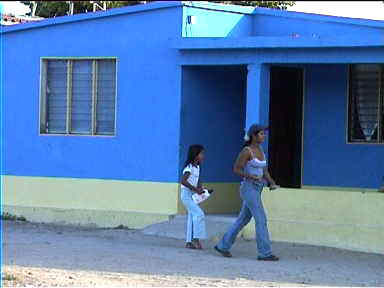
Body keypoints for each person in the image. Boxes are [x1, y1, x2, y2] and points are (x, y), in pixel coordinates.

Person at [214, 124, 279, 261]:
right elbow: (236, 169)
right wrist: (250, 176)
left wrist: (271, 182)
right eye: (261, 134)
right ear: (253, 136)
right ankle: (265, 253)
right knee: (261, 219)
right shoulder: (246, 151)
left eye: (264, 134)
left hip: (258, 187)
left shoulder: (261, 150)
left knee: (243, 219)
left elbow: (264, 171)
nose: (264, 136)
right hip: (249, 188)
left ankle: (223, 246)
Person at [180, 144, 207, 250]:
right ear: (195, 155)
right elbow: (183, 181)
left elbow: (198, 180)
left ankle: (189, 242)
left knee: (192, 217)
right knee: (199, 214)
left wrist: (201, 189)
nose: (203, 156)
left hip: (192, 195)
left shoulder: (198, 167)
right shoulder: (189, 167)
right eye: (201, 153)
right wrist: (195, 189)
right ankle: (196, 239)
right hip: (186, 195)